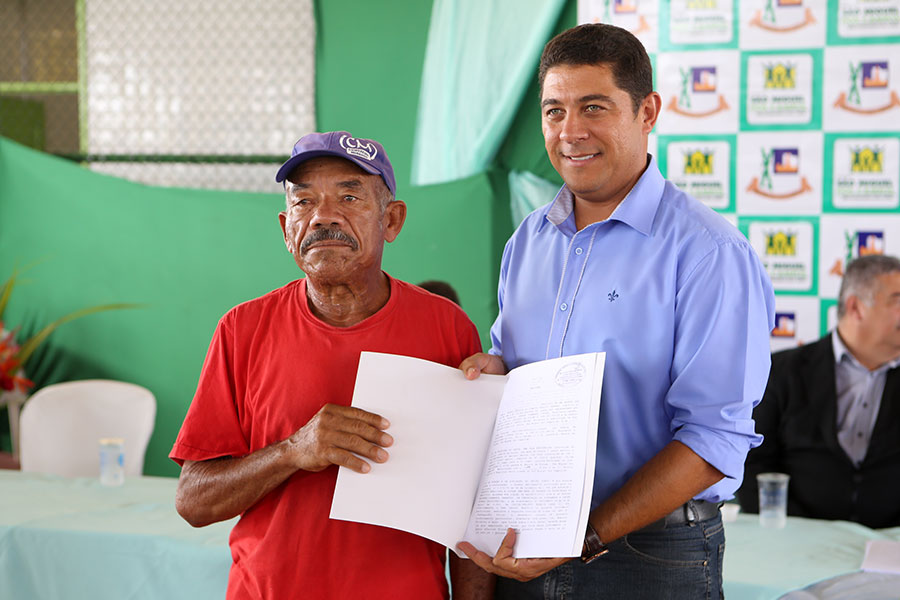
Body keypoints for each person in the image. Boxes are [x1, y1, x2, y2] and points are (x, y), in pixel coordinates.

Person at [457, 23, 775, 599]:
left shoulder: (708, 252)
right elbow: (514, 364)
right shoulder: (528, 240)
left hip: (652, 555)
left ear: (647, 111)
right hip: (525, 542)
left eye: (594, 107)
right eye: (554, 111)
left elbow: (713, 441)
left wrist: (584, 536)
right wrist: (492, 371)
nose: (570, 131)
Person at [170, 131, 491, 600]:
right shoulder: (241, 329)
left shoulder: (448, 328)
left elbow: (473, 503)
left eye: (349, 197)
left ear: (392, 220)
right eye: (304, 202)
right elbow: (193, 501)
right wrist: (292, 451)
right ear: (287, 229)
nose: (323, 216)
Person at [738, 255, 900, 529]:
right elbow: (753, 465)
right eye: (897, 300)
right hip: (796, 540)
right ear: (856, 308)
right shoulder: (782, 372)